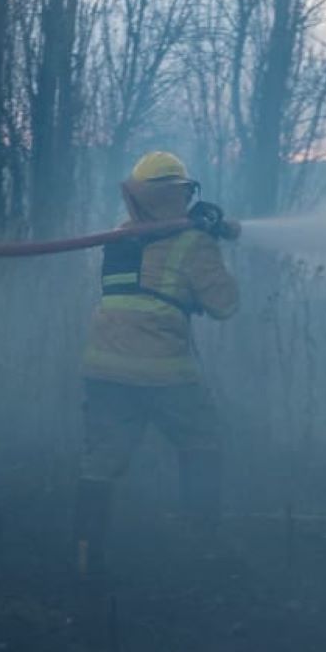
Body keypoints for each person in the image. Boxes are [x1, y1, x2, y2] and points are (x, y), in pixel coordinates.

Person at [74, 151, 241, 579]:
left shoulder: (118, 237)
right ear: (179, 193)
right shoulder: (192, 241)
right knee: (201, 440)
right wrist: (215, 245)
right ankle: (201, 546)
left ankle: (85, 554)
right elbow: (224, 305)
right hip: (162, 370)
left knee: (101, 460)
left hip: (103, 365)